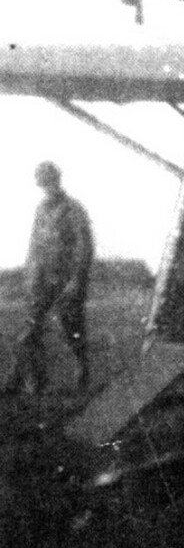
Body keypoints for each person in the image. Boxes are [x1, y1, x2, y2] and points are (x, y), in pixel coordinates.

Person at [7, 162, 94, 395]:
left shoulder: (73, 209)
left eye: (50, 182)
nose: (47, 187)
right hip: (42, 279)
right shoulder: (41, 210)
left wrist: (76, 280)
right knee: (30, 330)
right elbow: (34, 244)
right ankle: (31, 381)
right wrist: (30, 274)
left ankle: (83, 374)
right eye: (43, 183)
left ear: (57, 180)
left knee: (72, 329)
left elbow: (84, 246)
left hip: (66, 279)